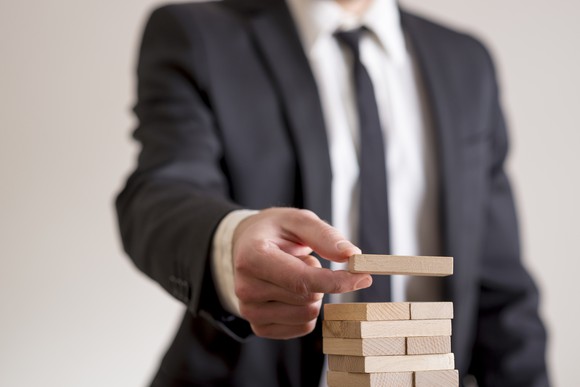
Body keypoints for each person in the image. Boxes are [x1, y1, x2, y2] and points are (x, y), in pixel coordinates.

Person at [116, 0, 550, 385]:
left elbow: (498, 282)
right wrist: (230, 243)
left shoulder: (466, 61)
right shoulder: (197, 33)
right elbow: (161, 192)